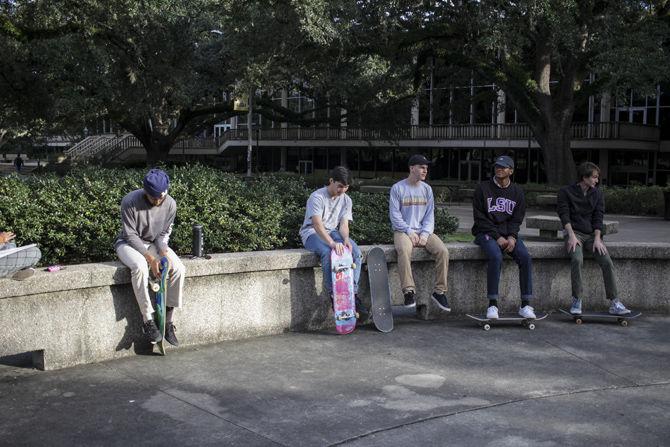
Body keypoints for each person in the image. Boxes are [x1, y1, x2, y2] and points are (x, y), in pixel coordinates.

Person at [114, 168, 185, 345]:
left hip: (153, 244)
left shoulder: (170, 204)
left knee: (178, 268)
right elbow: (130, 235)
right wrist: (151, 259)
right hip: (127, 244)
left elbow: (163, 235)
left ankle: (168, 322)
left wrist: (163, 253)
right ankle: (148, 320)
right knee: (139, 267)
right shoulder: (129, 201)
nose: (158, 200)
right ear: (145, 191)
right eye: (154, 197)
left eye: (161, 196)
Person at [557, 162, 630, 316]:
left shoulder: (597, 193)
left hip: (592, 235)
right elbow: (564, 215)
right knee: (577, 259)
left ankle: (614, 301)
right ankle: (577, 300)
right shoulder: (565, 192)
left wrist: (598, 238)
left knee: (606, 261)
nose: (597, 181)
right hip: (574, 233)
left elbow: (598, 217)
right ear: (584, 177)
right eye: (594, 177)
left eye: (597, 178)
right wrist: (570, 236)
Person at [299, 166, 369, 320]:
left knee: (355, 252)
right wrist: (331, 243)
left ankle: (353, 294)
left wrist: (345, 240)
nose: (342, 190)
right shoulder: (317, 197)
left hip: (333, 232)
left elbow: (343, 225)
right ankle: (334, 295)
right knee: (328, 253)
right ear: (331, 181)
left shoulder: (346, 200)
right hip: (311, 233)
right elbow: (317, 224)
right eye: (340, 186)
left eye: (346, 187)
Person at [472, 155, 535, 320]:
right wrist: (497, 237)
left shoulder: (517, 192)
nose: (499, 169)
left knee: (525, 257)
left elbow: (516, 219)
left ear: (511, 171)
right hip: (485, 233)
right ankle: (492, 304)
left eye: (503, 167)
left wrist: (513, 237)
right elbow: (480, 218)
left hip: (508, 235)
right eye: (497, 166)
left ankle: (526, 304)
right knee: (495, 256)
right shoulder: (482, 189)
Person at [389, 154, 450, 311]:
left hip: (423, 231)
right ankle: (408, 291)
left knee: (443, 251)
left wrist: (424, 234)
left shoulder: (427, 189)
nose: (425, 171)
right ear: (412, 168)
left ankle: (439, 292)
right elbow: (395, 216)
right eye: (422, 167)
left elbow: (430, 215)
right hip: (403, 230)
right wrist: (409, 231)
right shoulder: (398, 188)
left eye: (426, 168)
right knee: (403, 250)